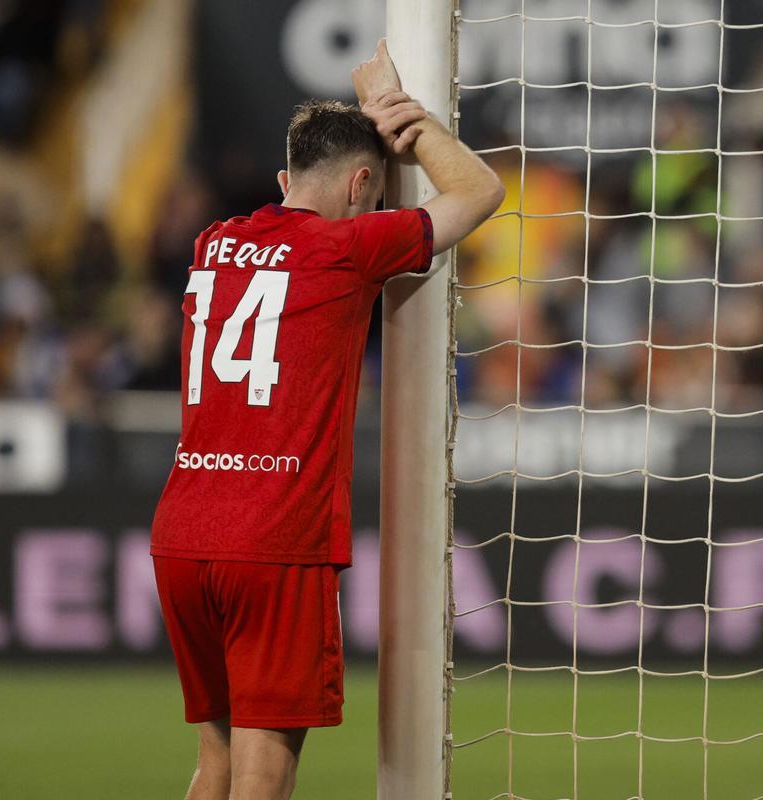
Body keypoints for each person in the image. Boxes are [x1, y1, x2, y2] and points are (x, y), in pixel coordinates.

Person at [149, 41, 503, 800]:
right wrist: (398, 113)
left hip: (183, 532)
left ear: (284, 180)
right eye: (375, 196)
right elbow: (478, 191)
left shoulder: (214, 245)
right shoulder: (345, 248)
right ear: (364, 182)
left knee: (215, 764)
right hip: (273, 538)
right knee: (264, 773)